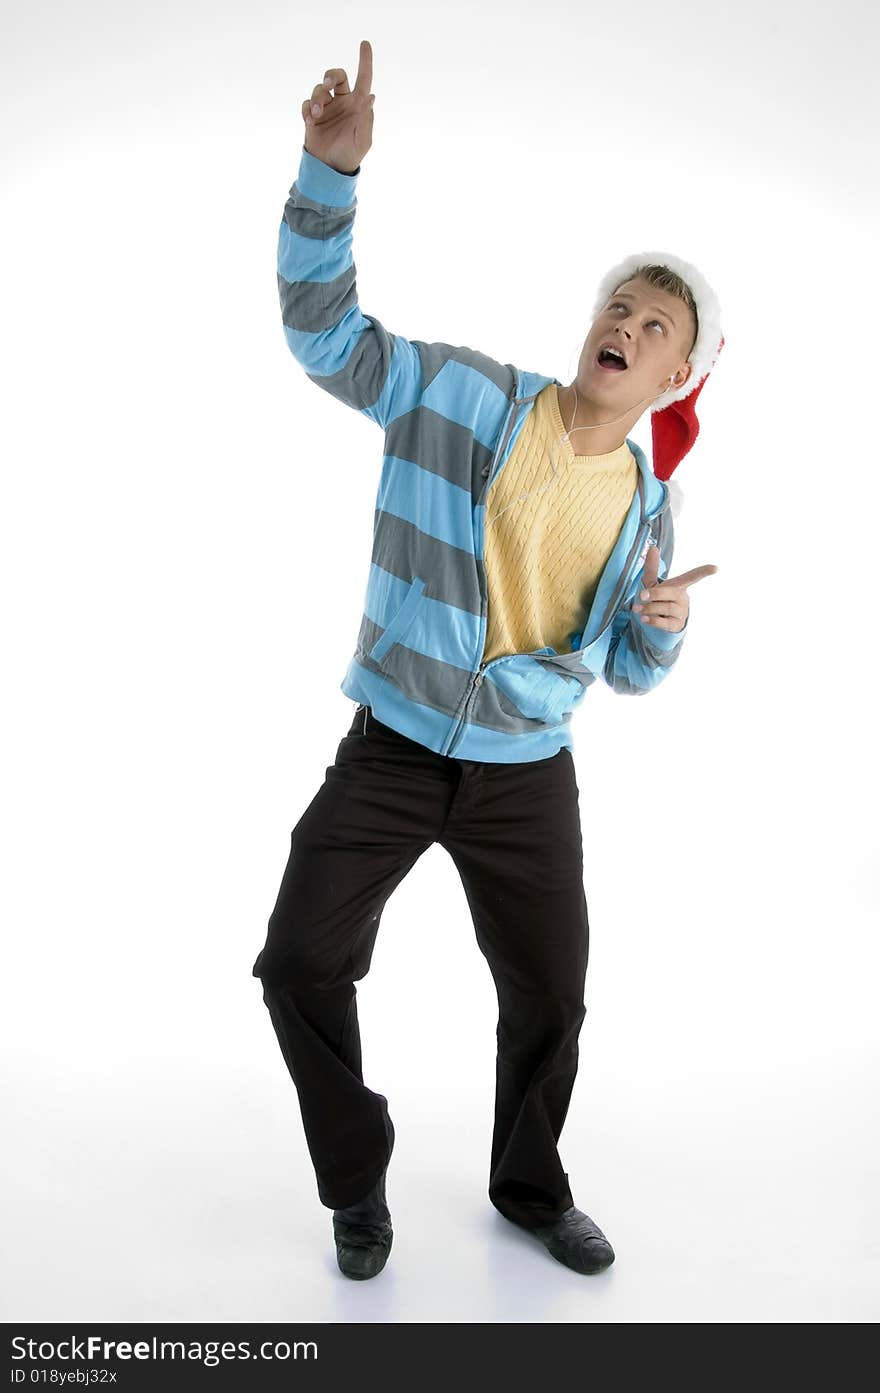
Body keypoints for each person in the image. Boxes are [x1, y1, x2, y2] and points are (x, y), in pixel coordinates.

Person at [251, 38, 723, 1281]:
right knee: (298, 960)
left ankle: (528, 1186)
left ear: (678, 373)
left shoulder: (647, 510)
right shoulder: (463, 395)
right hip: (396, 743)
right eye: (616, 307)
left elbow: (618, 668)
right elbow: (324, 336)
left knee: (552, 1001)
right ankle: (357, 1179)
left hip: (525, 776)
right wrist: (326, 175)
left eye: (653, 324)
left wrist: (658, 634)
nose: (622, 325)